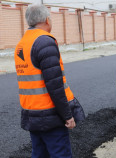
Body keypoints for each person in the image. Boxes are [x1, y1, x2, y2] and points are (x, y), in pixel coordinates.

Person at [14, 4, 85, 158]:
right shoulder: (44, 42)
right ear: (47, 20)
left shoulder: (22, 44)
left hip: (32, 113)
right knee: (61, 154)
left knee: (39, 154)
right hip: (50, 116)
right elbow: (55, 86)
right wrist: (67, 115)